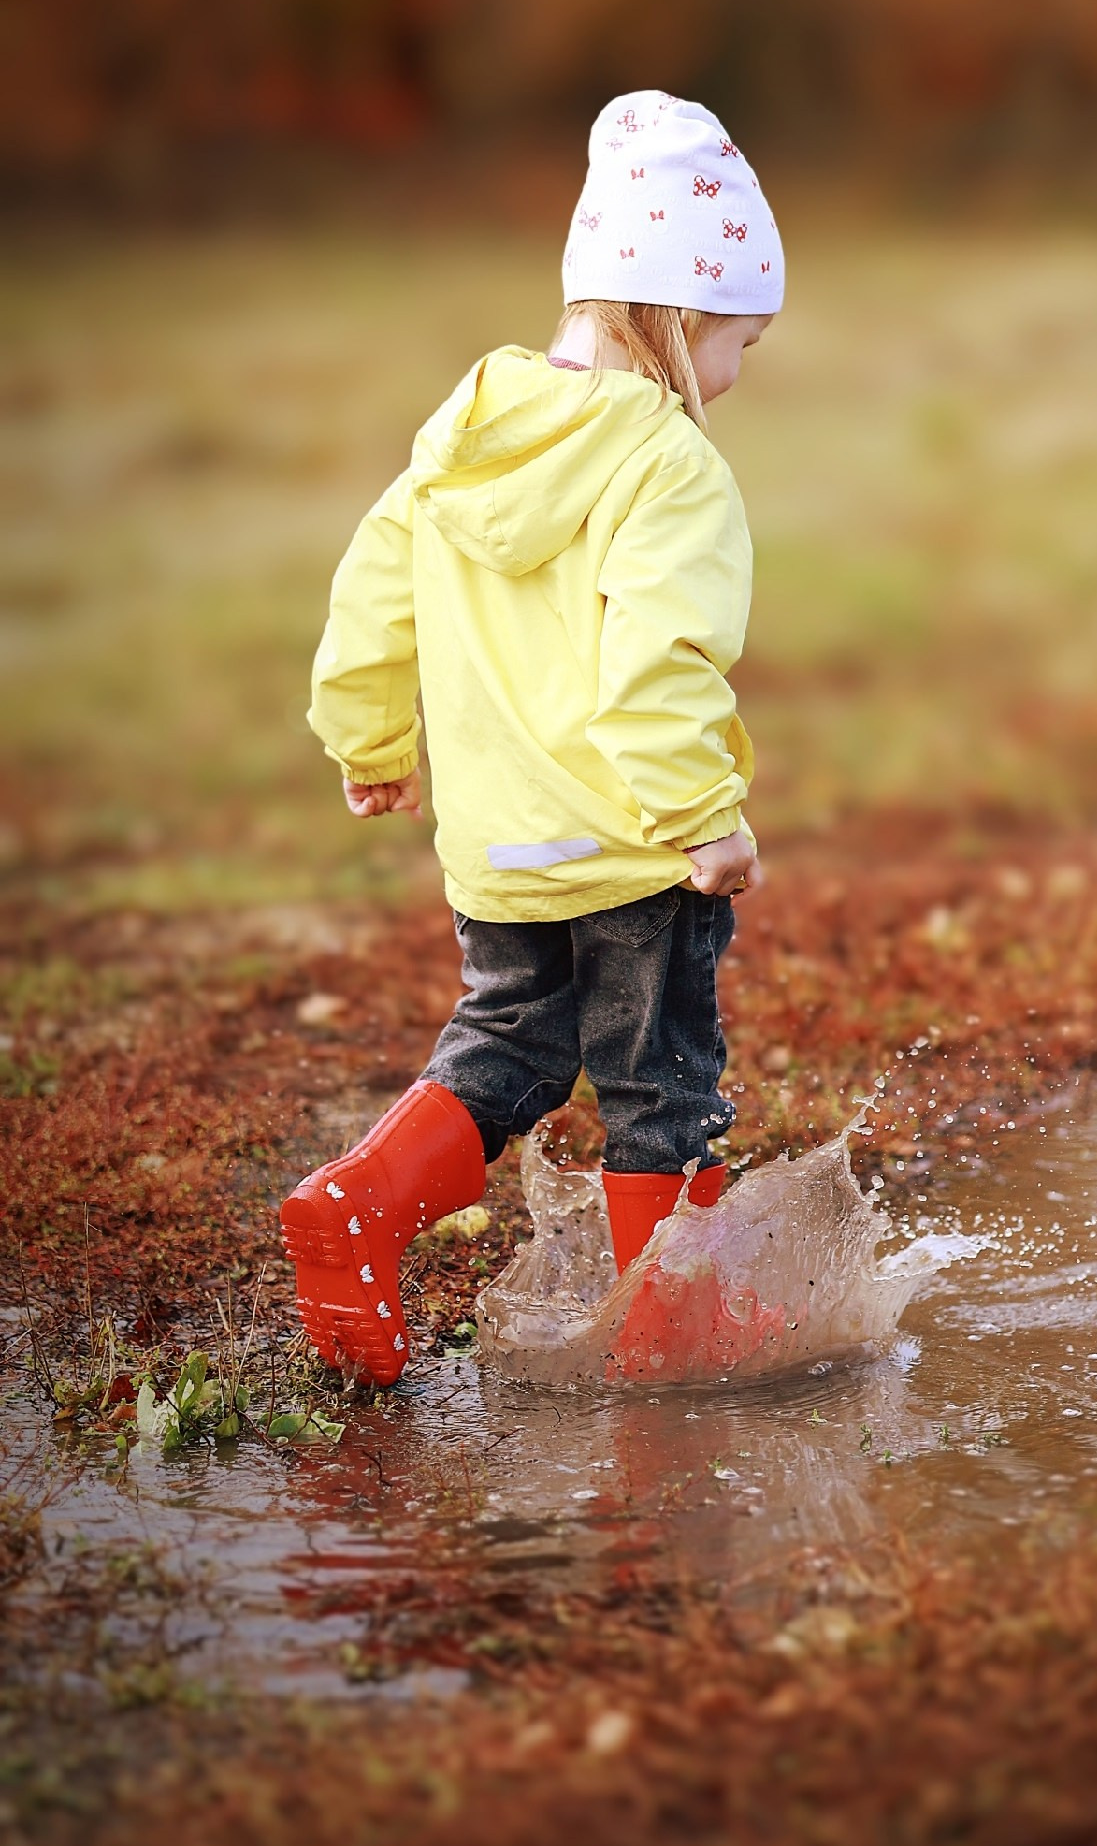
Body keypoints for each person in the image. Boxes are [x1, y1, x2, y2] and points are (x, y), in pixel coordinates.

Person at [282, 91, 781, 1386]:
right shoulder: (668, 465)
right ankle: (675, 1337)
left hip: (500, 847)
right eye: (738, 341)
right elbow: (655, 669)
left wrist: (367, 737)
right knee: (659, 1084)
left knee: (507, 1046)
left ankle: (365, 1200)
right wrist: (704, 821)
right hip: (630, 854)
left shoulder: (462, 442)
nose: (736, 375)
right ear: (675, 317)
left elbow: (369, 594)